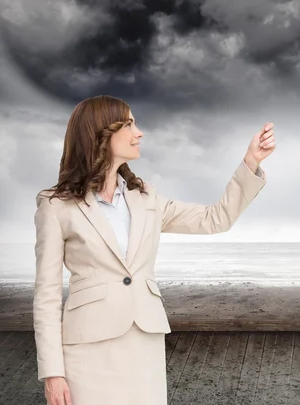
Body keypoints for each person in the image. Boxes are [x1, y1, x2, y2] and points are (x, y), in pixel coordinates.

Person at [33, 95, 276, 405]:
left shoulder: (146, 197)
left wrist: (250, 162)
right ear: (102, 133)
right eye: (130, 124)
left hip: (143, 346)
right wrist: (53, 373)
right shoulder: (57, 207)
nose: (139, 132)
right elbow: (47, 296)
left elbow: (215, 219)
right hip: (87, 353)